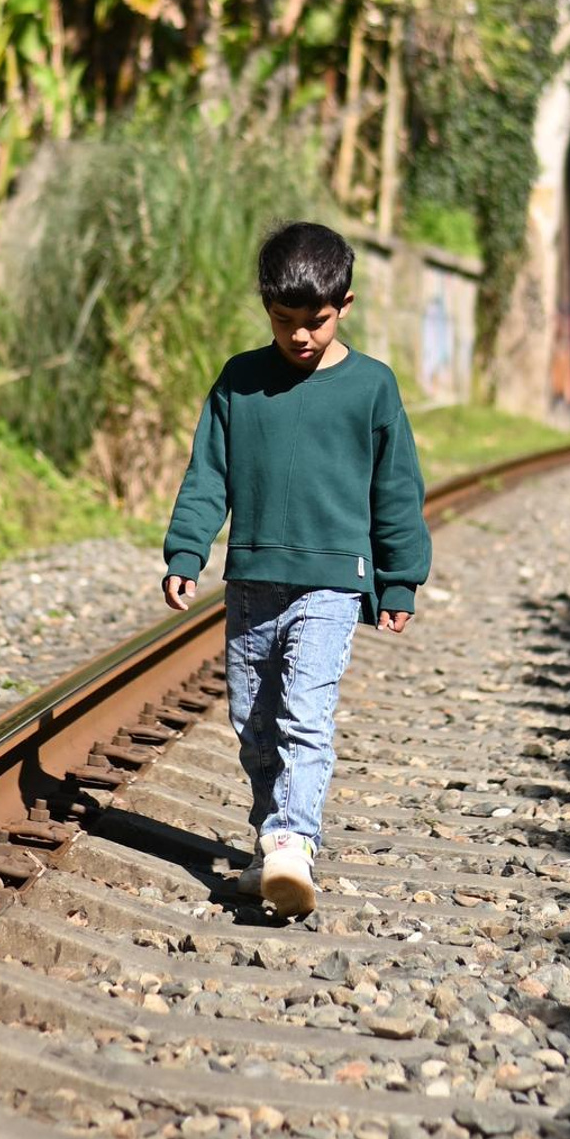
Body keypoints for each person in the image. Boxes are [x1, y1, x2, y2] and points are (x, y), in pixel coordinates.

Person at [161, 220, 431, 917]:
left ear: (344, 303)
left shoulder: (372, 387)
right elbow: (208, 474)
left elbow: (395, 488)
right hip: (252, 580)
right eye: (284, 322)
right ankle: (270, 844)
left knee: (304, 715)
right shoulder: (240, 381)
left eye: (315, 321)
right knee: (253, 721)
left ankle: (292, 844)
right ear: (265, 308)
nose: (301, 337)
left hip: (333, 582)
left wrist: (399, 577)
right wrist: (187, 551)